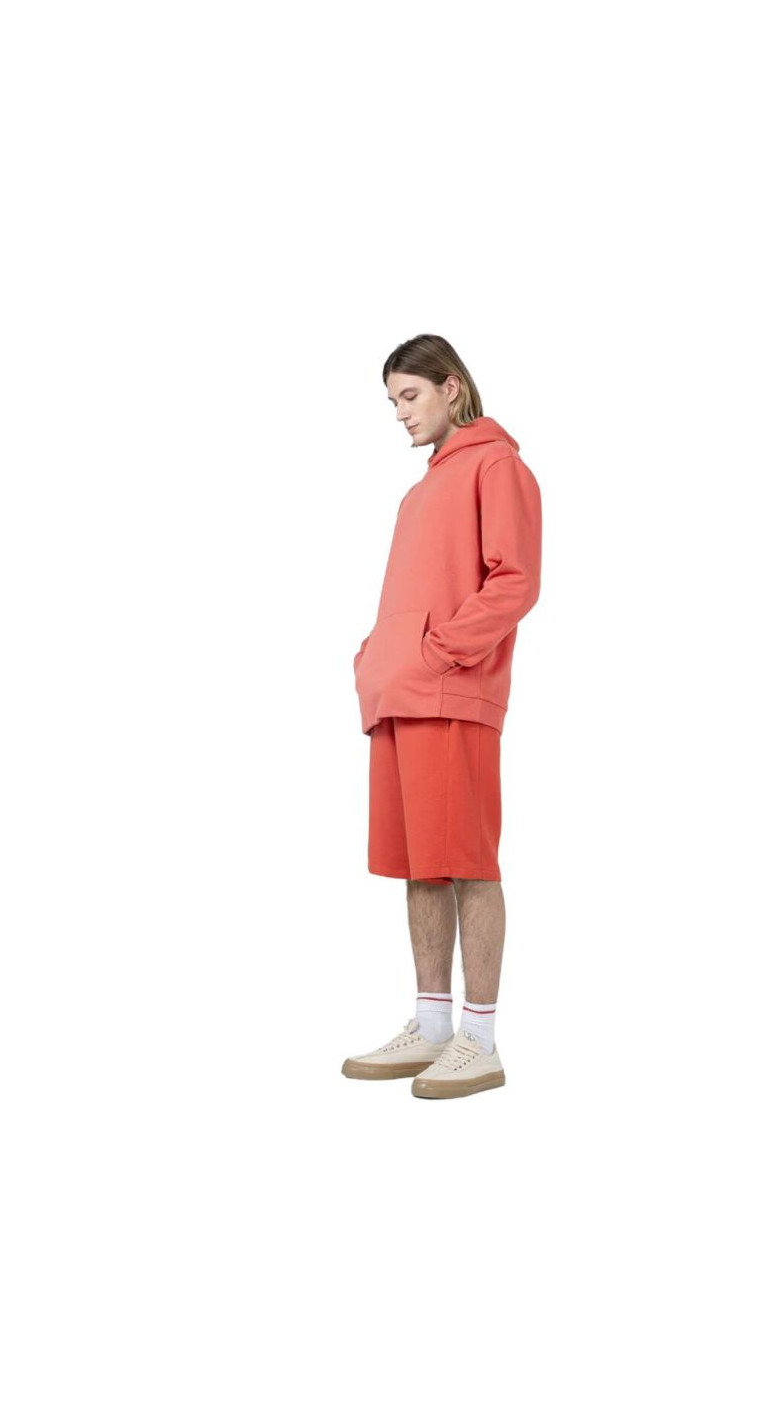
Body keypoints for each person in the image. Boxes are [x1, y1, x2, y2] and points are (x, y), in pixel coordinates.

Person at [341, 335, 543, 1100]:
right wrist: (377, 658)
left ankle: (479, 1040)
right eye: (392, 400)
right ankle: (431, 1026)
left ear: (451, 386)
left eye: (410, 395)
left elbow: (514, 581)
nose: (400, 413)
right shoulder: (419, 491)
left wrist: (436, 652)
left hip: (452, 691)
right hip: (399, 694)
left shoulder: (498, 466)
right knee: (420, 864)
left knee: (467, 860)